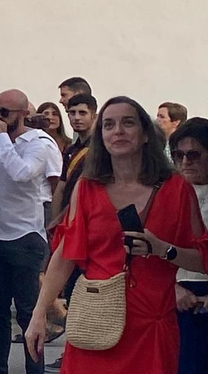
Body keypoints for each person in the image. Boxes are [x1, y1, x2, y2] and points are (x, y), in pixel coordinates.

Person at [26, 96, 206, 371]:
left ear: (146, 134)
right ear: (102, 137)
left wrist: (163, 249)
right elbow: (65, 255)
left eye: (128, 123)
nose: (118, 131)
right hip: (98, 320)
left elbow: (202, 258)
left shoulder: (176, 189)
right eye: (108, 125)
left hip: (150, 326)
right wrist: (39, 313)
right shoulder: (87, 188)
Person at [0, 91, 63, 374]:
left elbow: (22, 173)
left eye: (5, 112)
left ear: (23, 113)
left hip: (25, 237)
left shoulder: (39, 143)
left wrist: (2, 138)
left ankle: (33, 370)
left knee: (28, 313)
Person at [170, 117, 208, 374]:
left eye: (193, 155)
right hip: (174, 295)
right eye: (178, 155)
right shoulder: (163, 195)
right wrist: (171, 289)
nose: (185, 162)